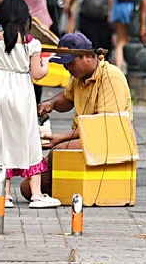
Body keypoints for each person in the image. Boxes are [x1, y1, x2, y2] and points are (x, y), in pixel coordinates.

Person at [20, 32, 133, 200]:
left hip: (107, 140)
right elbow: (67, 99)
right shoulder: (78, 77)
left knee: (57, 151)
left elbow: (103, 126)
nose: (68, 69)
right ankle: (69, 188)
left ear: (88, 56)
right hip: (87, 139)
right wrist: (51, 103)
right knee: (27, 188)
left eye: (71, 63)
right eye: (65, 65)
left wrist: (61, 138)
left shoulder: (111, 76)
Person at [0, 0, 61, 208]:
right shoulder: (32, 44)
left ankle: (3, 194)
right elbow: (37, 74)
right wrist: (46, 62)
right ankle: (36, 194)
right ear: (26, 20)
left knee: (0, 139)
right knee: (28, 139)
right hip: (20, 93)